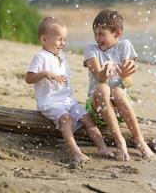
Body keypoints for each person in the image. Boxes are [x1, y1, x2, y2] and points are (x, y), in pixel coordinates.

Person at [25, 17, 112, 163]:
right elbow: (28, 78)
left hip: (67, 101)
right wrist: (45, 74)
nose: (63, 43)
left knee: (87, 118)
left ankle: (102, 147)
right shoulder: (40, 57)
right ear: (44, 39)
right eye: (59, 39)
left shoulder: (62, 57)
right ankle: (76, 152)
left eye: (64, 40)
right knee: (66, 119)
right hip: (50, 102)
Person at [83, 9, 155, 161]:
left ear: (117, 33)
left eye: (102, 34)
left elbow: (129, 83)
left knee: (118, 91)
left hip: (119, 109)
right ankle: (120, 141)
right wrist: (107, 67)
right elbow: (99, 77)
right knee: (103, 88)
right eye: (95, 33)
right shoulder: (91, 49)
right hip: (98, 108)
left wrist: (124, 76)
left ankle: (139, 140)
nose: (97, 38)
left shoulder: (125, 46)